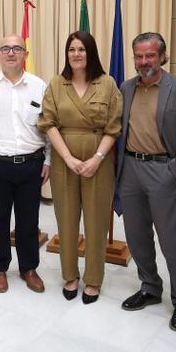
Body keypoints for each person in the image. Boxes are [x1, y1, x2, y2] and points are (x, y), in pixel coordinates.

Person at [116, 32, 176, 331]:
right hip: (129, 168)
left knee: (171, 238)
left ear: (163, 56)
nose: (144, 62)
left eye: (150, 55)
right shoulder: (125, 88)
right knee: (136, 235)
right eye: (139, 56)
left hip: (163, 170)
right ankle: (150, 288)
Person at [38, 31, 121, 304]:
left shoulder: (107, 84)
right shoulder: (56, 84)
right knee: (67, 218)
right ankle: (70, 275)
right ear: (67, 54)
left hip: (99, 158)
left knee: (97, 221)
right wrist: (69, 159)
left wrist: (97, 158)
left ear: (91, 53)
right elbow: (48, 123)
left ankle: (94, 279)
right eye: (72, 49)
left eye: (82, 49)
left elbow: (114, 126)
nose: (76, 54)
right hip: (65, 160)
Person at [0, 34, 50, 293]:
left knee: (28, 219)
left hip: (31, 164)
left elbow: (48, 127)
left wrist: (48, 161)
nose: (11, 53)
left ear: (25, 54)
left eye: (17, 48)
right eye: (5, 48)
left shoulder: (39, 86)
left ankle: (29, 268)